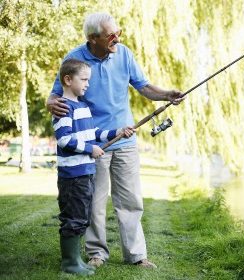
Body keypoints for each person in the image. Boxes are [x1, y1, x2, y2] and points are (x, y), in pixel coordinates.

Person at [47, 12, 184, 269]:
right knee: (95, 202)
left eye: (118, 33)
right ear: (93, 38)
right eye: (111, 35)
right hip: (93, 144)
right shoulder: (74, 59)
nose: (117, 39)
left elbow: (143, 87)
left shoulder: (124, 54)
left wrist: (167, 95)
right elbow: (55, 96)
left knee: (130, 200)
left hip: (124, 138)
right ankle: (97, 254)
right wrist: (52, 105)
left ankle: (136, 255)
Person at [53, 59, 135, 275]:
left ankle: (77, 259)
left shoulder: (82, 107)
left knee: (83, 216)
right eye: (84, 79)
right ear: (68, 80)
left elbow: (95, 133)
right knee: (73, 216)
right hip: (73, 174)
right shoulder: (63, 107)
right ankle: (69, 262)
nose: (88, 84)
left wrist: (117, 132)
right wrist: (90, 149)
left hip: (86, 171)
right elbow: (64, 140)